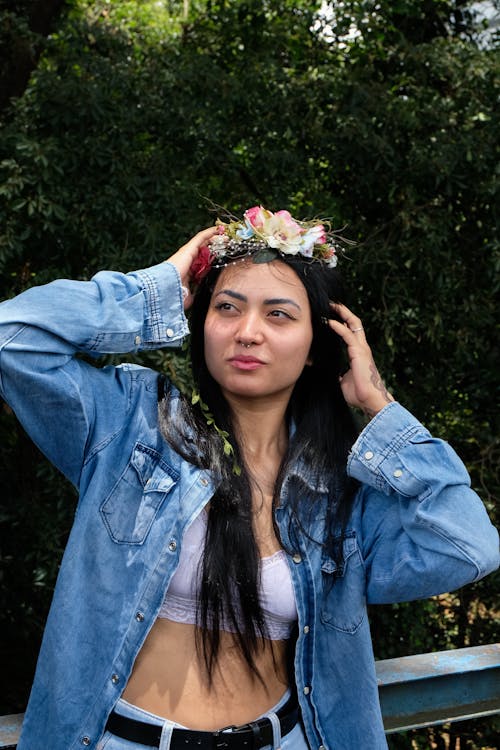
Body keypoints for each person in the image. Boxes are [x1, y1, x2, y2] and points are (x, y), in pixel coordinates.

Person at [0, 206, 498, 750]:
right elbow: (14, 339)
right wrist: (159, 287)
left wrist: (380, 408)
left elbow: (467, 546)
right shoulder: (131, 424)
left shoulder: (342, 493)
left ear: (316, 348)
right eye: (227, 308)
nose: (248, 332)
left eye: (279, 315)